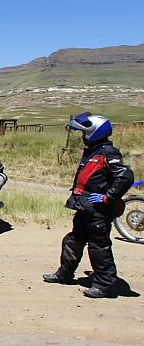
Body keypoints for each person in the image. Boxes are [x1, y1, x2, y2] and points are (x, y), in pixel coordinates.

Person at [43, 112, 133, 298]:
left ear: (95, 132)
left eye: (85, 133)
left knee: (98, 246)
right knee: (73, 240)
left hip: (98, 210)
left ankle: (104, 285)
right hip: (84, 207)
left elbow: (125, 176)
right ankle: (64, 274)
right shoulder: (93, 151)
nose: (83, 136)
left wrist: (108, 197)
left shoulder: (108, 153)